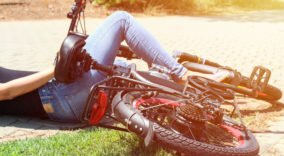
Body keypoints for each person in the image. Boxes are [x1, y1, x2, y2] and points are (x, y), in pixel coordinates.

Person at [0, 11, 187, 123]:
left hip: (62, 99)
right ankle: (182, 75)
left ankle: (176, 94)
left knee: (121, 67)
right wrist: (57, 68)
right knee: (121, 20)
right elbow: (6, 92)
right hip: (60, 99)